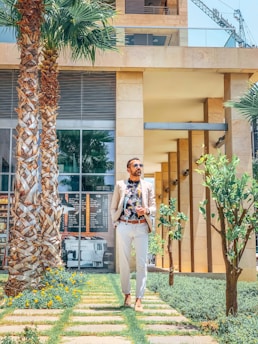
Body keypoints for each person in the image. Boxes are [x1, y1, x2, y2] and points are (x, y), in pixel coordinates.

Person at [111, 157, 156, 312]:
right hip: (124, 225)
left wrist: (147, 211)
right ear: (128, 169)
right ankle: (127, 294)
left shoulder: (148, 186)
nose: (139, 167)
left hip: (141, 226)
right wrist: (116, 223)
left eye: (140, 165)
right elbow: (113, 206)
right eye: (135, 165)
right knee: (124, 262)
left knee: (142, 263)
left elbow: (154, 207)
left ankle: (139, 299)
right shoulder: (120, 185)